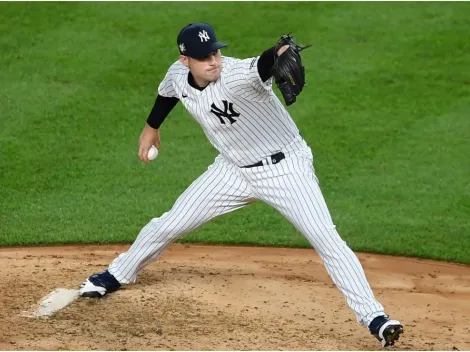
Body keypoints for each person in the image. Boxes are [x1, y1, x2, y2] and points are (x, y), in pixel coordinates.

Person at [79, 22, 404, 347]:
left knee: (326, 239)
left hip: (286, 169)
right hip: (232, 170)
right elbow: (167, 93)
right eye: (204, 56)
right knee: (170, 223)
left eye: (216, 52)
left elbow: (262, 64)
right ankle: (117, 273)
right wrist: (151, 128)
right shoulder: (177, 75)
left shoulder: (235, 74)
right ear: (185, 61)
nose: (213, 61)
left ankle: (375, 318)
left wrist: (278, 53)